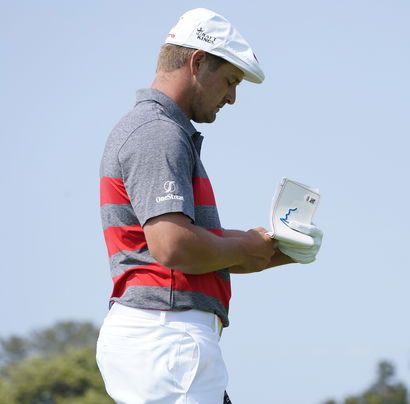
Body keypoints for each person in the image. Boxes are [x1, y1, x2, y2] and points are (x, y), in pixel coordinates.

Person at [96, 8, 323, 404]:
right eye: (230, 81)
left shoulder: (158, 130)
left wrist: (278, 249)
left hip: (165, 338)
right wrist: (244, 247)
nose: (232, 98)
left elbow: (191, 245)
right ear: (197, 62)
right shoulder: (157, 133)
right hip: (167, 335)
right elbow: (173, 246)